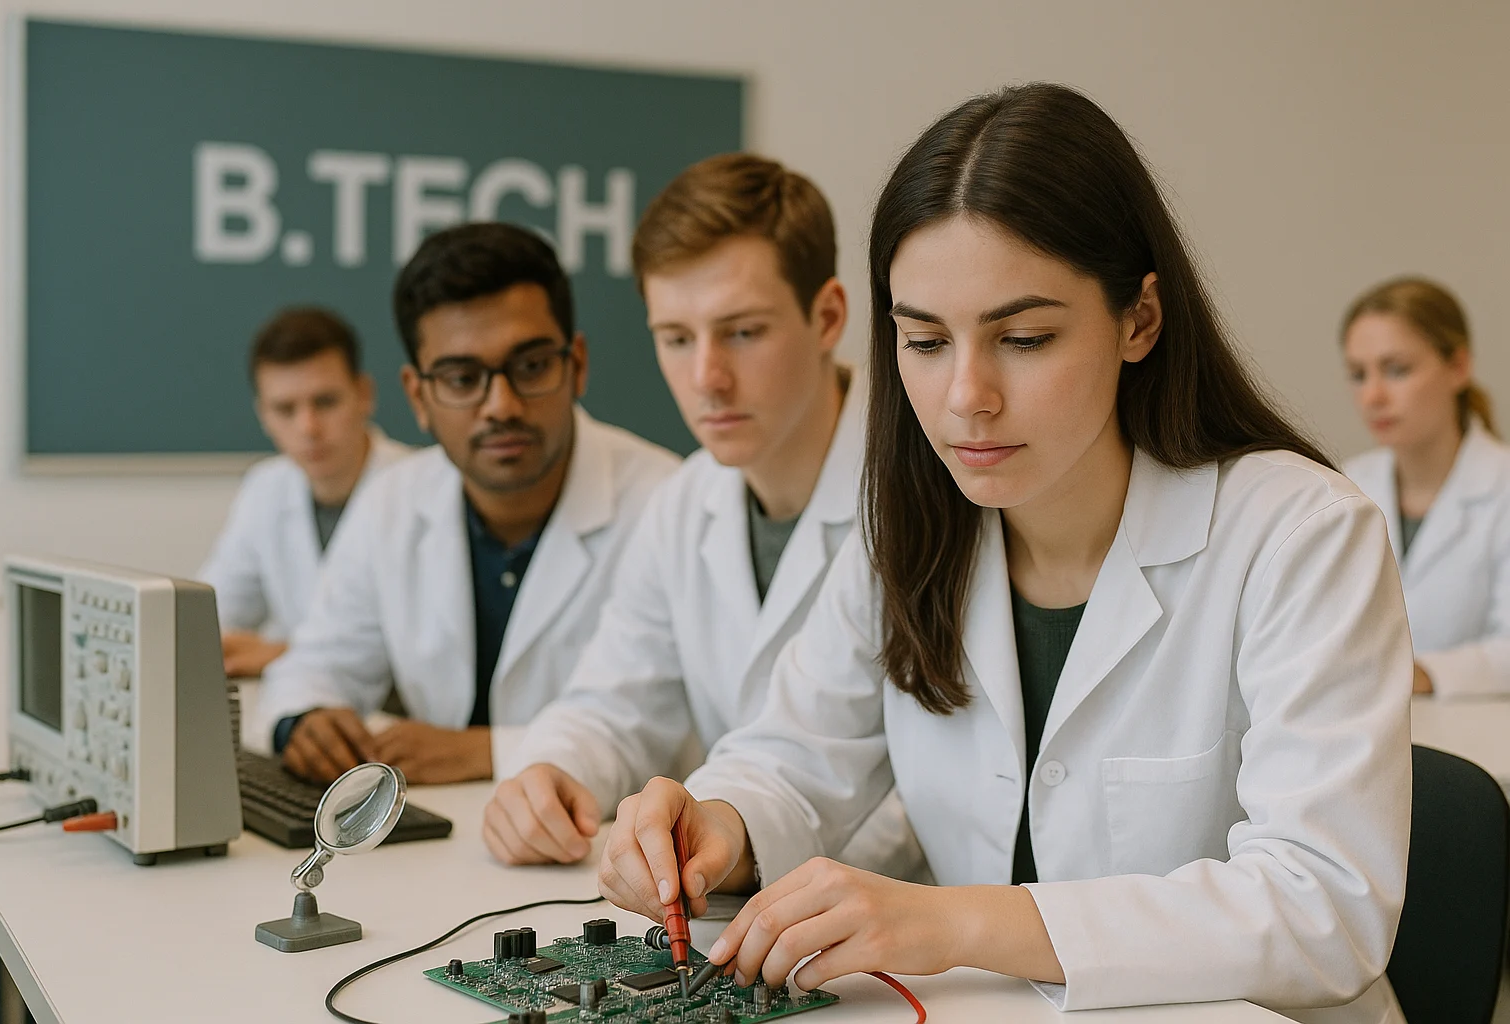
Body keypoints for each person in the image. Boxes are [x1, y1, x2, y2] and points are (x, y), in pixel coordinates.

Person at [595, 85, 1412, 1024]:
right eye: (926, 341)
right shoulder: (907, 522)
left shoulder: (1299, 533)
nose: (966, 397)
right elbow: (796, 755)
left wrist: (960, 924)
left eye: (1023, 338)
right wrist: (715, 825)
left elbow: (1323, 910)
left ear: (1140, 319)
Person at [483, 154, 923, 880]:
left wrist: (736, 844)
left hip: (912, 919)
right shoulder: (687, 502)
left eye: (743, 332)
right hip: (750, 894)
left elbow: (931, 790)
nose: (706, 379)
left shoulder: (928, 487)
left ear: (828, 317)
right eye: (677, 338)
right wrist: (550, 772)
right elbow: (614, 700)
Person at [254, 223, 680, 784]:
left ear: (575, 365)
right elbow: (316, 661)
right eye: (462, 378)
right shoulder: (392, 502)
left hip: (609, 850)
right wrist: (305, 721)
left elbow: (660, 727)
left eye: (530, 367)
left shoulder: (666, 503)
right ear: (418, 396)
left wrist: (483, 753)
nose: (500, 405)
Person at [199, 308, 410, 678]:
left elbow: (427, 654)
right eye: (285, 409)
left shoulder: (419, 489)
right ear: (262, 414)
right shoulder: (265, 489)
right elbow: (208, 619)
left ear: (364, 395)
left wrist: (280, 653)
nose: (308, 427)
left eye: (325, 402)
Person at [1341, 277, 1510, 697]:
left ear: (1458, 367)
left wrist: (1422, 675)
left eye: (1396, 369)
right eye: (1359, 374)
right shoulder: (1343, 485)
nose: (1373, 395)